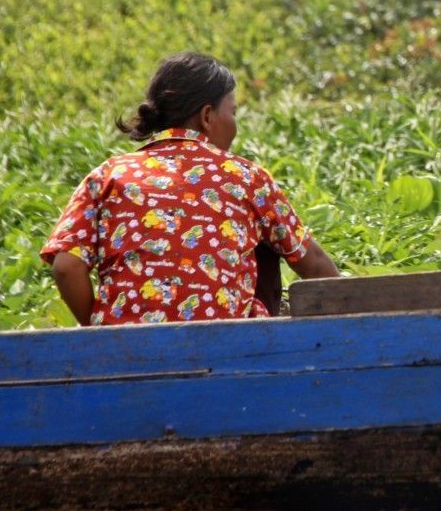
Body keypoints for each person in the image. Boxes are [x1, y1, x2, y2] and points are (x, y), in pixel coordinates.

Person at [41, 52, 339, 326]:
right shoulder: (246, 177)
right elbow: (312, 263)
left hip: (127, 352)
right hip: (229, 351)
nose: (235, 125)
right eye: (232, 112)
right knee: (266, 248)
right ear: (207, 116)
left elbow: (67, 267)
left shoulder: (108, 174)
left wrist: (100, 332)